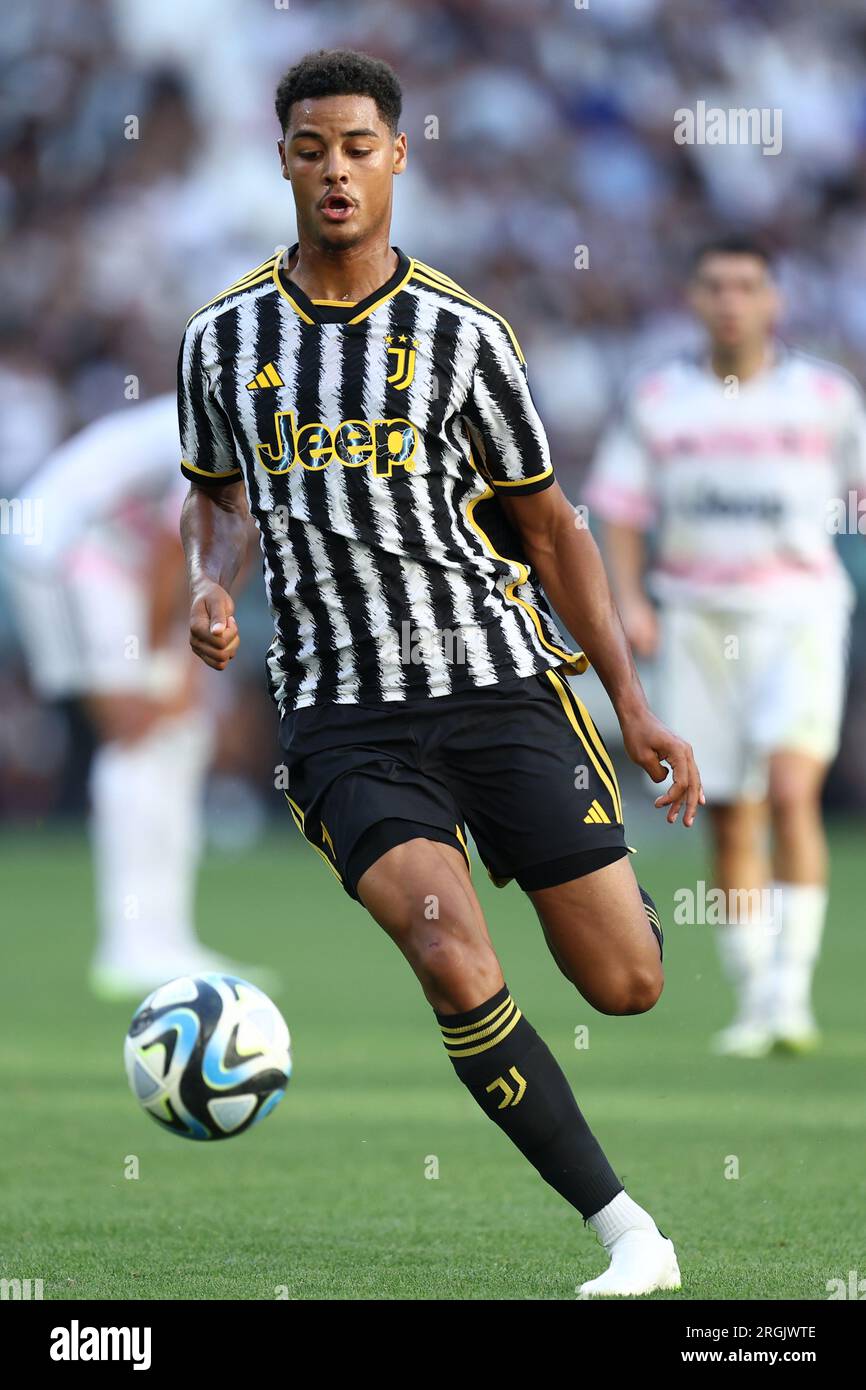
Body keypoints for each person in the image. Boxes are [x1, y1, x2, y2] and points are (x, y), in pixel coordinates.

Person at [179, 49, 702, 1297]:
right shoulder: (221, 338)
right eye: (312, 149)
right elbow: (214, 494)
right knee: (448, 953)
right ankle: (631, 1233)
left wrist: (630, 703)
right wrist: (210, 580)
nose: (336, 171)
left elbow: (553, 527)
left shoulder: (463, 336)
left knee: (624, 980)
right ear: (284, 160)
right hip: (340, 713)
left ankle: (597, 906)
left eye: (359, 146)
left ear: (397, 154)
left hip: (493, 681)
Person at [586, 234, 866, 1057]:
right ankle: (753, 998)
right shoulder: (659, 399)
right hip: (698, 619)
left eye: (748, 286)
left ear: (775, 301)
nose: (732, 300)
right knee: (731, 810)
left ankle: (790, 994)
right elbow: (623, 509)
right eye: (715, 285)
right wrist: (630, 597)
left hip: (798, 613)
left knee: (790, 789)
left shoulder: (825, 396)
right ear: (694, 299)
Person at [3, 394, 269, 999]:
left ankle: (166, 937)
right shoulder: (231, 426)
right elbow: (171, 549)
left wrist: (180, 670)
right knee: (139, 729)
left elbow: (233, 553)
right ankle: (129, 945)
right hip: (67, 549)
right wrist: (165, 662)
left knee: (179, 733)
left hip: (109, 551)